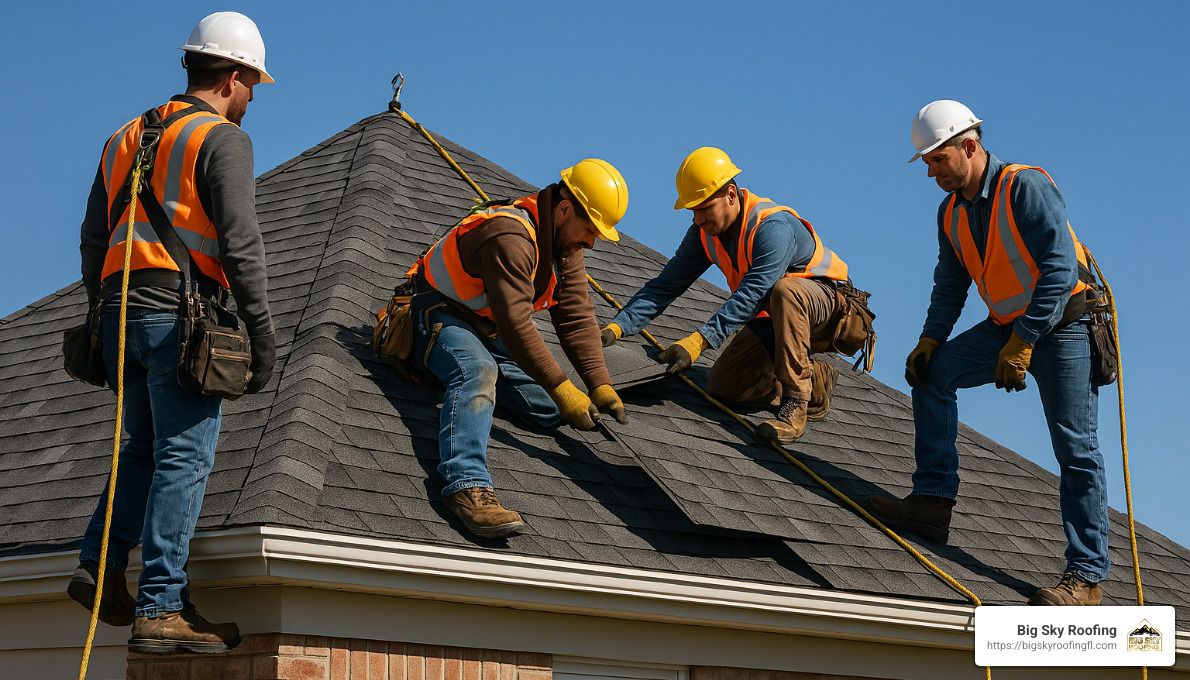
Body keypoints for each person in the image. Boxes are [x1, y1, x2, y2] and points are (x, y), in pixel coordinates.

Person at [69, 11, 277, 653]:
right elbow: (240, 245)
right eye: (252, 86)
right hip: (177, 315)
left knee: (137, 449)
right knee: (182, 457)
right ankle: (160, 608)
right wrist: (262, 335)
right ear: (234, 75)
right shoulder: (222, 139)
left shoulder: (125, 135)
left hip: (119, 315)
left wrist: (107, 311)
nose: (250, 100)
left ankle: (101, 572)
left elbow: (93, 239)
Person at [865, 100, 1108, 606]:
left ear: (969, 146)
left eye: (937, 159)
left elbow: (1060, 269)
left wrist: (1025, 341)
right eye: (927, 163)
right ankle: (932, 503)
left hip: (1062, 325)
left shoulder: (1025, 187)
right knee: (933, 375)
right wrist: (932, 338)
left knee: (1075, 449)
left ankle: (1085, 578)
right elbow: (950, 283)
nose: (931, 172)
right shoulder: (950, 213)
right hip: (1007, 328)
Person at [406, 159, 630, 539]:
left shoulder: (563, 245)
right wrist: (564, 389)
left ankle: (478, 394)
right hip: (440, 317)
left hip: (489, 330)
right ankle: (466, 486)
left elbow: (575, 316)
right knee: (477, 373)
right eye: (590, 229)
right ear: (563, 210)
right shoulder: (509, 236)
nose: (592, 241)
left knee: (548, 410)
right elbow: (516, 324)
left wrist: (599, 385)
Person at [602, 147, 853, 444]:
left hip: (830, 311)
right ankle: (813, 378)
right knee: (724, 386)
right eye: (692, 210)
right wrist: (617, 327)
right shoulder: (703, 233)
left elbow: (753, 292)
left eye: (704, 207)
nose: (697, 219)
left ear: (731, 195)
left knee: (786, 291)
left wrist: (698, 341)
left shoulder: (772, 228)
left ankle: (796, 405)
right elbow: (665, 285)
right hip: (774, 318)